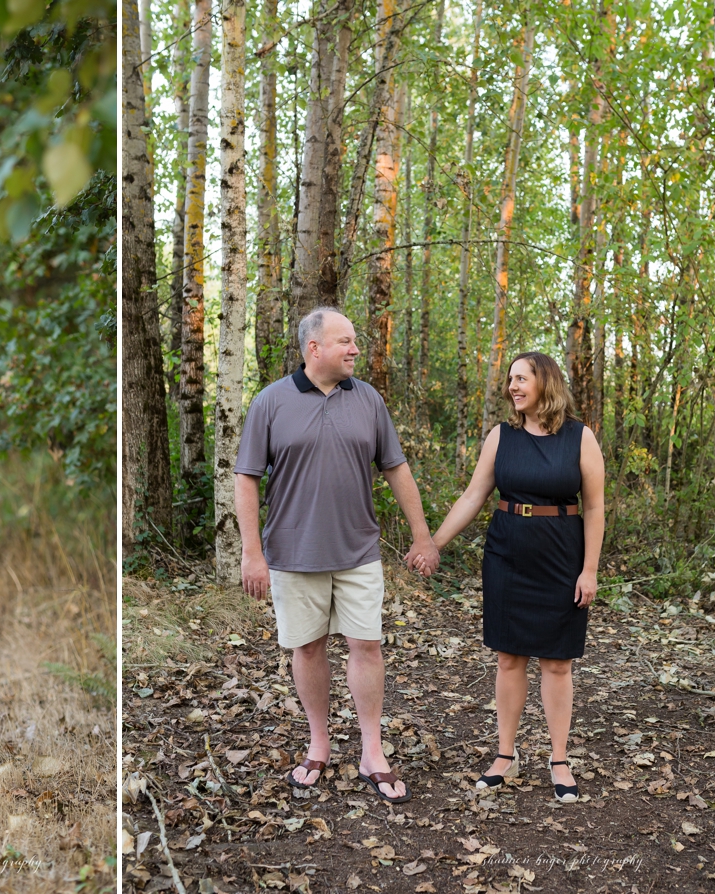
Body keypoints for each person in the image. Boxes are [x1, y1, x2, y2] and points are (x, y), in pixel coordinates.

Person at [234, 306, 439, 804]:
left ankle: (372, 752)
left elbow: (396, 468)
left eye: (354, 340)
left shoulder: (367, 399)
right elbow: (246, 479)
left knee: (367, 646)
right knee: (307, 649)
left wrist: (422, 536)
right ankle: (319, 745)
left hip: (358, 550)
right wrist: (252, 552)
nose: (355, 349)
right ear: (314, 348)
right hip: (293, 552)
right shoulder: (270, 402)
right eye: (345, 341)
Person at [427, 351, 604, 803]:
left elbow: (594, 507)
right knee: (508, 658)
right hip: (506, 556)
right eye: (510, 379)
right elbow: (473, 496)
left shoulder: (579, 437)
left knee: (558, 662)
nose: (513, 386)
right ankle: (505, 755)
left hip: (562, 559)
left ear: (546, 382)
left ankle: (559, 759)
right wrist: (434, 543)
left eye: (522, 378)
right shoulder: (501, 436)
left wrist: (589, 570)